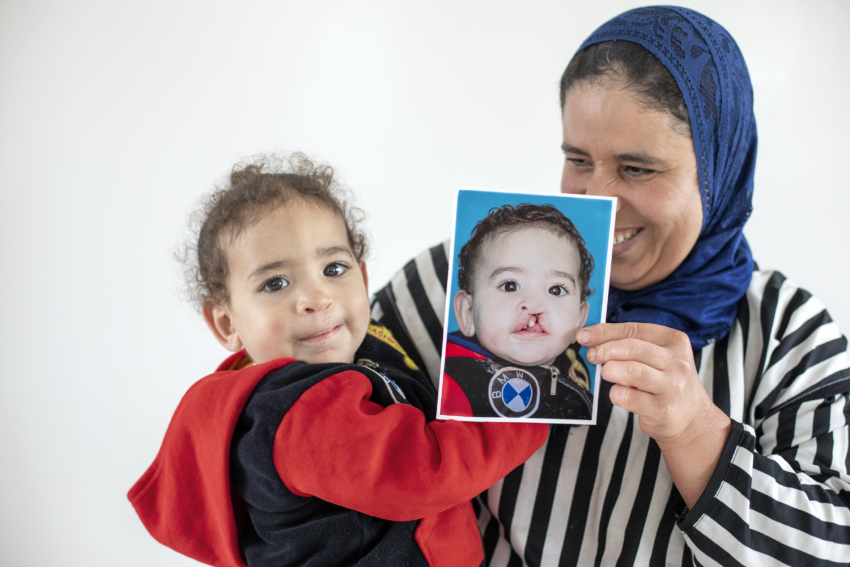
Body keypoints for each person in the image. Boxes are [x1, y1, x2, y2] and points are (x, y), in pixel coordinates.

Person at [371, 6, 850, 565]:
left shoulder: (787, 333)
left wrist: (696, 433)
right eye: (578, 159)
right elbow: (336, 421)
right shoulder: (457, 278)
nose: (597, 199)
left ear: (716, 172)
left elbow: (832, 546)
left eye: (637, 169)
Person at [127, 153, 548, 567]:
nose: (316, 298)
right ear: (225, 323)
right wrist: (521, 408)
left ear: (363, 280)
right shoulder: (297, 413)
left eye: (333, 268)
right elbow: (425, 471)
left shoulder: (356, 347)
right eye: (275, 282)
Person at [441, 203, 593, 420]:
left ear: (579, 320)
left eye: (556, 289)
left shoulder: (578, 369)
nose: (533, 305)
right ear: (468, 312)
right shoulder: (453, 381)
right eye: (510, 286)